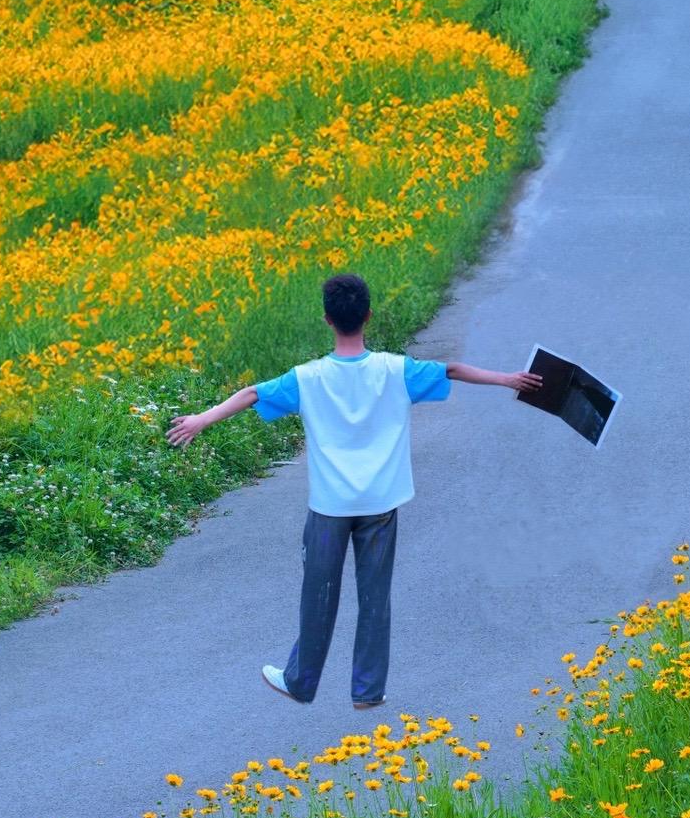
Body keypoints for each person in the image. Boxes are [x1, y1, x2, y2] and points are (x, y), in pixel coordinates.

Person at [167, 271, 540, 710]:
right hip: (381, 503)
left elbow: (251, 393)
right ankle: (367, 691)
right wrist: (507, 379)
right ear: (368, 316)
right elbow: (453, 369)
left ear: (327, 319)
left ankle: (300, 681)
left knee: (318, 593)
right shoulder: (395, 370)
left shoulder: (307, 378)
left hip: (329, 506)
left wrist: (201, 420)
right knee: (374, 596)